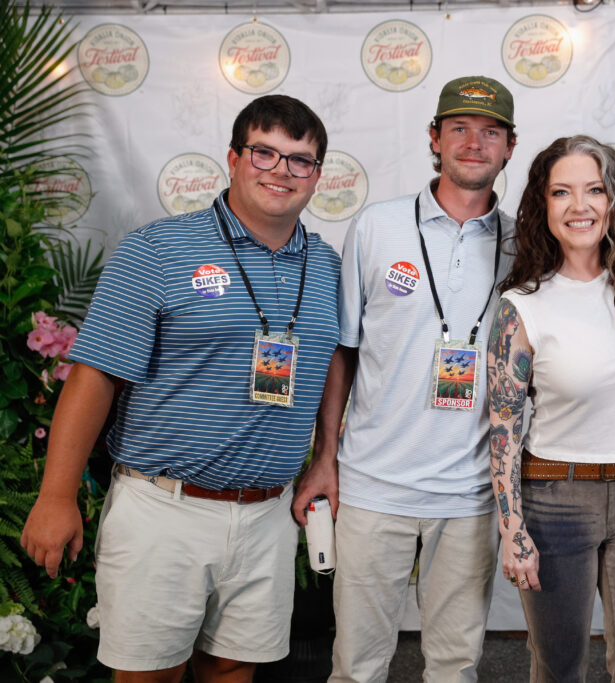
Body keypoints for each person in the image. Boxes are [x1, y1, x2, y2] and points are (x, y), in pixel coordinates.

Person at [19, 95, 341, 681]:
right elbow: (95, 376)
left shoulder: (328, 268)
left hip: (268, 513)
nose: (282, 170)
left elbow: (334, 366)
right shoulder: (157, 250)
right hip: (163, 508)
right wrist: (56, 495)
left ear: (316, 175)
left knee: (231, 670)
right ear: (233, 159)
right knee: (149, 675)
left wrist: (325, 459)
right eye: (264, 152)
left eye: (300, 160)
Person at [290, 75, 517, 683]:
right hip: (372, 487)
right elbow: (343, 352)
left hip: (470, 495)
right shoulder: (378, 227)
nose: (474, 143)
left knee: (454, 667)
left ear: (510, 146)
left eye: (490, 131)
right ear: (434, 138)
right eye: (459, 128)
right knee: (356, 666)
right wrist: (325, 458)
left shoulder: (529, 244)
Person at [488, 135, 615, 681]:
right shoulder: (522, 306)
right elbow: (503, 429)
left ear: (614, 199)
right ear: (542, 205)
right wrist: (513, 530)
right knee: (558, 669)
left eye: (594, 189)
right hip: (555, 501)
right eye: (561, 192)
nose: (579, 206)